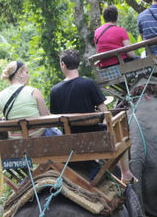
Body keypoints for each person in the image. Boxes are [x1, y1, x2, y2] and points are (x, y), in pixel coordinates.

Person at [50, 50, 133, 183]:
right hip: (94, 138)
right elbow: (104, 111)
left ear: (63, 64)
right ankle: (126, 173)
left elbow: (56, 118)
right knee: (120, 133)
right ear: (78, 64)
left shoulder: (54, 90)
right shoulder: (89, 83)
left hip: (70, 140)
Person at [0, 61, 51, 136]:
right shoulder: (34, 92)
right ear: (20, 73)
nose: (29, 76)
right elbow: (48, 120)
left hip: (15, 141)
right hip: (39, 137)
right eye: (27, 72)